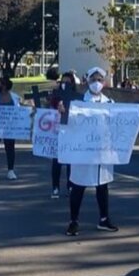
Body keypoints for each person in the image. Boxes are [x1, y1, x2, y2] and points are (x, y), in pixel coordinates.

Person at [65, 67, 119, 236]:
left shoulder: (109, 103)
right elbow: (68, 123)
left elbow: (118, 124)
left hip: (101, 152)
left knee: (102, 186)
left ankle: (104, 219)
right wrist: (62, 112)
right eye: (93, 79)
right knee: (78, 186)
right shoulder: (78, 102)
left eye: (100, 80)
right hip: (82, 152)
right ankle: (74, 221)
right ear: (87, 81)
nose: (97, 83)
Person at [50, 70, 79, 198]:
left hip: (71, 131)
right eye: (63, 81)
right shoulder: (55, 96)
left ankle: (70, 185)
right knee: (56, 161)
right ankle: (55, 187)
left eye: (68, 82)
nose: (65, 84)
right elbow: (48, 112)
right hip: (57, 131)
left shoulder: (76, 97)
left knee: (70, 161)